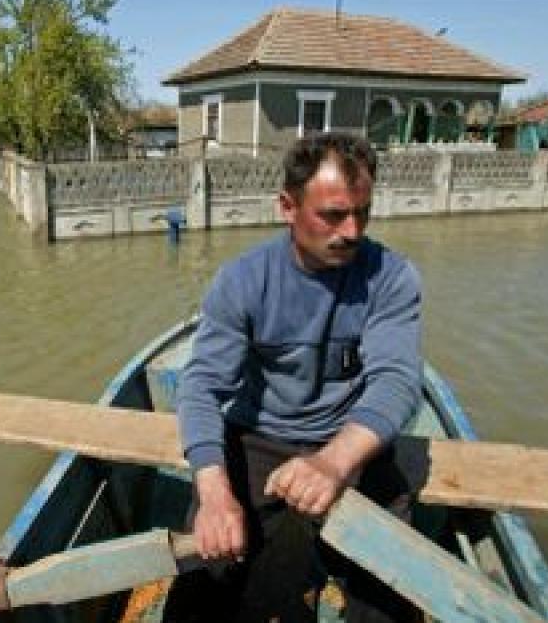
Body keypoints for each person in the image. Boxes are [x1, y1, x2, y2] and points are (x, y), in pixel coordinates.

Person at [165, 132, 424, 623]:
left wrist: (333, 462)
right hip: (259, 437)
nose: (352, 231)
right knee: (204, 583)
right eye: (333, 215)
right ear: (287, 206)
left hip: (350, 440)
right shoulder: (243, 280)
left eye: (363, 213)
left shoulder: (391, 277)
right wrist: (215, 493)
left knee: (389, 594)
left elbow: (397, 382)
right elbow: (201, 387)